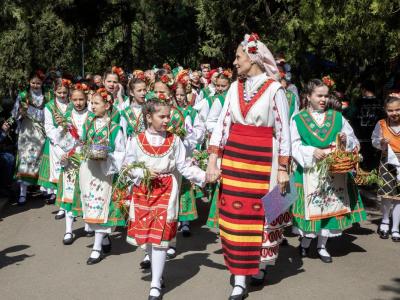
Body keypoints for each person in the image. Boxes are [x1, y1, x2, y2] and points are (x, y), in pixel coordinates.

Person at [206, 33, 291, 299]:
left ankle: (259, 266)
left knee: (264, 216)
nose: (234, 62)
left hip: (264, 161)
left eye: (238, 57)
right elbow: (222, 124)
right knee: (235, 218)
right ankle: (240, 279)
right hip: (234, 160)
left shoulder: (275, 89)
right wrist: (212, 161)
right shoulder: (234, 88)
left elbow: (283, 130)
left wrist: (283, 168)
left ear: (253, 58)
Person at [124, 98, 206, 300]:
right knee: (150, 238)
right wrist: (141, 173)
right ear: (149, 117)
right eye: (162, 116)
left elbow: (184, 165)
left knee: (160, 237)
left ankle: (154, 284)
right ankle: (156, 276)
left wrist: (205, 177)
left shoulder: (174, 140)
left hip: (166, 190)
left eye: (168, 115)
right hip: (143, 191)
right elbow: (127, 166)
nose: (167, 119)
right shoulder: (136, 140)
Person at [291, 79, 367, 263]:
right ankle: (305, 243)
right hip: (309, 170)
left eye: (326, 95)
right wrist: (310, 151)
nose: (323, 99)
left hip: (334, 170)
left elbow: (352, 140)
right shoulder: (298, 119)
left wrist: (344, 140)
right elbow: (293, 145)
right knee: (311, 211)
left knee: (330, 210)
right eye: (319, 95)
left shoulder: (337, 117)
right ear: (308, 97)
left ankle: (322, 246)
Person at [79, 90, 125, 265]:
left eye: (96, 103)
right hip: (88, 169)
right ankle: (104, 238)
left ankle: (96, 248)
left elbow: (121, 152)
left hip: (105, 172)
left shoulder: (114, 128)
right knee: (90, 206)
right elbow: (82, 143)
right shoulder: (88, 124)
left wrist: (108, 157)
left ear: (107, 106)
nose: (92, 106)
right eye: (91, 103)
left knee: (101, 206)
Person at [56, 88, 90, 245]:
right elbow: (60, 138)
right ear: (70, 100)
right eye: (75, 100)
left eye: (81, 99)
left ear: (86, 99)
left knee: (86, 193)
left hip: (88, 160)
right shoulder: (67, 118)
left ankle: (89, 224)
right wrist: (65, 152)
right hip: (71, 160)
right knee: (69, 194)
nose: (78, 103)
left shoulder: (92, 116)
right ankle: (68, 230)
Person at [12, 71, 47, 205]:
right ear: (29, 82)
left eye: (38, 83)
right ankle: (22, 193)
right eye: (33, 82)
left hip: (40, 133)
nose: (35, 85)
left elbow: (47, 115)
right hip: (27, 133)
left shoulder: (46, 97)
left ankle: (44, 189)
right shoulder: (23, 96)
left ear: (42, 83)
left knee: (40, 160)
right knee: (26, 160)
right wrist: (20, 112)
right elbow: (15, 114)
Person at [38, 78, 71, 212]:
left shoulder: (73, 104)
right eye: (59, 93)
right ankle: (62, 207)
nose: (62, 95)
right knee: (58, 175)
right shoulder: (49, 106)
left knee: (70, 175)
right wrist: (58, 138)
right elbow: (49, 127)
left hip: (71, 143)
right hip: (55, 144)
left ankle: (69, 206)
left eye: (64, 92)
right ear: (54, 92)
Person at [371, 95, 400, 242]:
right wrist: (381, 142)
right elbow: (374, 141)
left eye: (397, 109)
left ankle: (395, 228)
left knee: (399, 198)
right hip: (387, 160)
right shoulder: (381, 124)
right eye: (391, 110)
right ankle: (384, 221)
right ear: (385, 110)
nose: (394, 113)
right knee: (387, 195)